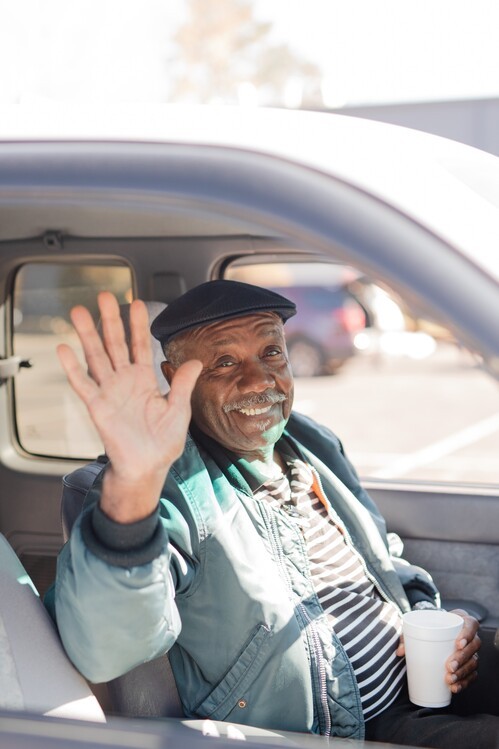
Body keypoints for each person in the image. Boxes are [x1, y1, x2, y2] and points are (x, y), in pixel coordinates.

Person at [53, 280, 498, 747]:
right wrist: (134, 484)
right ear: (174, 375)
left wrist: (431, 614)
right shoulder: (168, 490)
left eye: (271, 353)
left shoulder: (310, 440)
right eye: (225, 362)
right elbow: (107, 649)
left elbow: (382, 557)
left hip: (413, 696)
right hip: (330, 735)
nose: (260, 381)